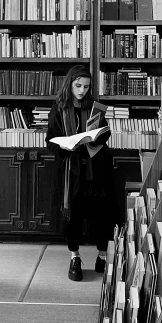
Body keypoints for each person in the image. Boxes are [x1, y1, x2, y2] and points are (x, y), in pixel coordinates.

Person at [46, 65, 117, 281]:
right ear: (69, 84)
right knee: (73, 217)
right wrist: (65, 146)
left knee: (101, 216)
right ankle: (74, 257)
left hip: (96, 170)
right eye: (78, 86)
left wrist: (97, 137)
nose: (82, 90)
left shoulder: (96, 108)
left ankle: (102, 257)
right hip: (71, 171)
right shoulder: (58, 108)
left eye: (86, 86)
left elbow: (105, 133)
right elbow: (51, 140)